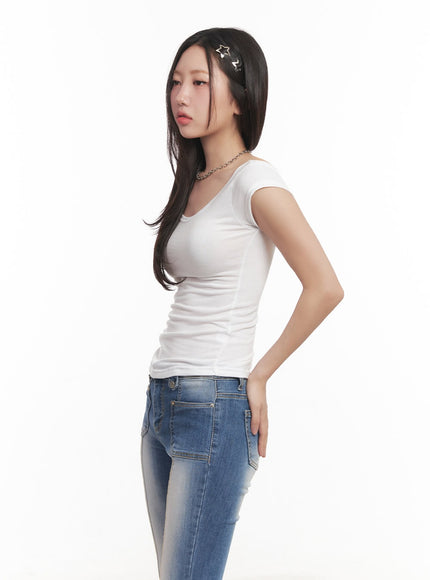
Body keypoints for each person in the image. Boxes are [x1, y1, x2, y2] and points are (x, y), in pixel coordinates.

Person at [140, 27, 344, 580]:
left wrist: (259, 374)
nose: (181, 96)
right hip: (162, 399)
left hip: (213, 404)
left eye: (200, 82)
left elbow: (325, 286)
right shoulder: (195, 180)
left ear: (239, 96)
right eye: (176, 82)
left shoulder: (256, 182)